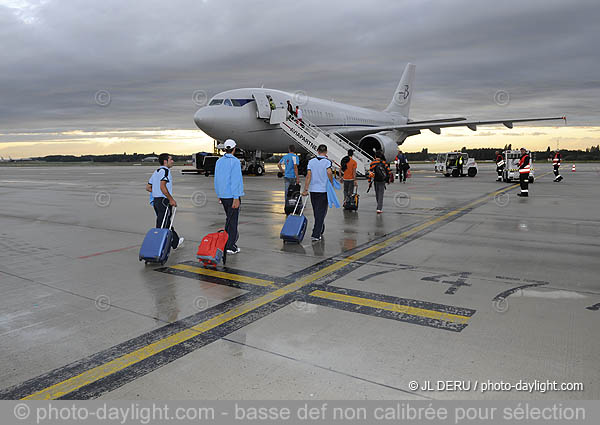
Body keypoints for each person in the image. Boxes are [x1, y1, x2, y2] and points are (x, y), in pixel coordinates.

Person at [147, 153, 184, 250]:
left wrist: (156, 192)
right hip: (164, 201)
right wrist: (171, 199)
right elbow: (162, 187)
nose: (173, 161)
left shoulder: (156, 171)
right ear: (165, 161)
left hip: (156, 201)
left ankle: (175, 241)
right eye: (171, 159)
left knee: (166, 222)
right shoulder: (165, 171)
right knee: (162, 225)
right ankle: (157, 247)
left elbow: (148, 187)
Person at [214, 139, 245, 254]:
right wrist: (236, 198)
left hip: (223, 195)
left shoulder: (219, 162)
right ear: (234, 149)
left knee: (229, 220)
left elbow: (217, 179)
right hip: (232, 196)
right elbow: (236, 181)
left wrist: (219, 194)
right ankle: (230, 246)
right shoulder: (235, 162)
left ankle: (226, 243)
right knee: (232, 222)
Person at [302, 144, 334, 241]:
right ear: (326, 152)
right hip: (323, 191)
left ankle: (320, 228)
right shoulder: (327, 162)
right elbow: (329, 173)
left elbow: (308, 176)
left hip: (313, 190)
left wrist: (305, 189)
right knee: (321, 212)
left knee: (317, 211)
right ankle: (316, 234)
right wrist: (331, 183)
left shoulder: (311, 162)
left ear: (317, 151)